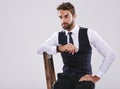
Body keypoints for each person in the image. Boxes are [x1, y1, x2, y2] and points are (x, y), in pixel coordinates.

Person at [37, 2, 115, 89]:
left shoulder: (89, 33)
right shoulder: (58, 35)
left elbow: (110, 55)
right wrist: (60, 48)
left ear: (74, 16)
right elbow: (40, 50)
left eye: (66, 16)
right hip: (66, 78)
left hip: (84, 78)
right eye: (60, 17)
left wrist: (97, 77)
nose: (63, 20)